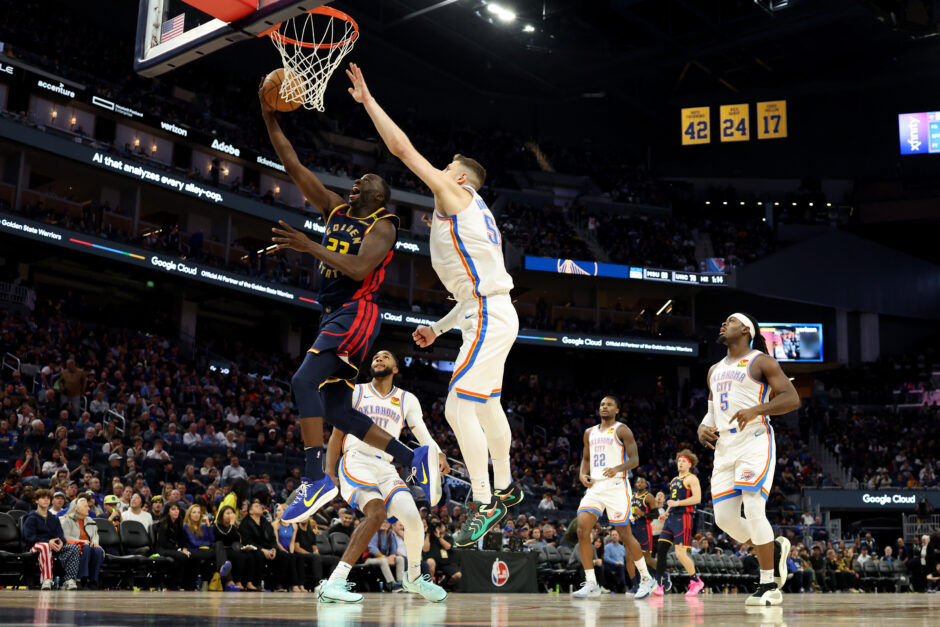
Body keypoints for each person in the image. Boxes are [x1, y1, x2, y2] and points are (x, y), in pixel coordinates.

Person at [345, 64, 522, 546]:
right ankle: (505, 488)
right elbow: (473, 288)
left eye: (446, 168)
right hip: (489, 311)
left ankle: (486, 499)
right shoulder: (480, 213)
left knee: (456, 404)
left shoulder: (456, 194)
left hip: (489, 313)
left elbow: (402, 150)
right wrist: (442, 328)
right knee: (486, 403)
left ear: (461, 176)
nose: (439, 173)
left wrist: (368, 101)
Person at [261, 87, 439, 524]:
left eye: (367, 183)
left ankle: (314, 478)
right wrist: (270, 118)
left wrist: (307, 246)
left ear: (379, 197)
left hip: (357, 310)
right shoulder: (335, 209)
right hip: (335, 313)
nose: (357, 182)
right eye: (358, 180)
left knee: (304, 382)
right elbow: (293, 165)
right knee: (339, 409)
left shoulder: (384, 225)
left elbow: (360, 269)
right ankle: (412, 455)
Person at [319, 350, 448, 603]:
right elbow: (336, 435)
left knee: (412, 518)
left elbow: (420, 430)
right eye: (376, 357)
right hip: (356, 459)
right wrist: (329, 473)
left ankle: (413, 578)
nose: (379, 359)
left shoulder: (406, 399)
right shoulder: (355, 391)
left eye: (386, 357)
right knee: (376, 514)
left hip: (386, 467)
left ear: (396, 368)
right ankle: (334, 582)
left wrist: (438, 453)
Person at [698, 313, 801, 607]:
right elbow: (711, 411)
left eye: (729, 321)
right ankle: (774, 549)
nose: (722, 324)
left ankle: (768, 584)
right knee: (725, 519)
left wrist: (757, 410)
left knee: (755, 508)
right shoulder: (714, 370)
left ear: (745, 330)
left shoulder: (761, 361)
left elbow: (791, 398)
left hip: (754, 439)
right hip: (725, 446)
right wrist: (702, 426)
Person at [571, 396, 654, 599]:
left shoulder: (622, 429)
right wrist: (582, 475)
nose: (604, 407)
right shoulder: (589, 432)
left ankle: (645, 578)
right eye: (601, 404)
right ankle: (591, 582)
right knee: (582, 529)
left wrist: (617, 468)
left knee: (625, 534)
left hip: (617, 486)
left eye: (608, 404)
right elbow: (586, 458)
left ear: (617, 409)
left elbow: (634, 460)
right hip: (596, 487)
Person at [652, 451, 703, 597]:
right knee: (661, 549)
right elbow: (673, 500)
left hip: (684, 518)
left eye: (683, 461)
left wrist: (678, 503)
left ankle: (696, 581)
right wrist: (666, 513)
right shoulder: (674, 480)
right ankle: (659, 584)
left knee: (680, 554)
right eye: (679, 460)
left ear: (690, 464)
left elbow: (697, 498)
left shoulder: (692, 478)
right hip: (671, 518)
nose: (680, 463)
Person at [22, 488, 81, 590]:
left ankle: (69, 579)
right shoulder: (31, 517)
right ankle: (47, 579)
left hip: (53, 546)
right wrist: (48, 541)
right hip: (35, 546)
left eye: (48, 498)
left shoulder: (54, 518)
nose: (46, 500)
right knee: (45, 546)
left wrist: (61, 542)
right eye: (42, 498)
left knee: (73, 548)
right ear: (36, 501)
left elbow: (60, 535)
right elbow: (29, 537)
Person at [240, 501, 292, 592]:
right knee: (258, 554)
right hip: (253, 548)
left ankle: (278, 584)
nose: (260, 507)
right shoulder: (245, 523)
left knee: (284, 555)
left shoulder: (265, 522)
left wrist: (274, 549)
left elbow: (272, 539)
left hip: (268, 549)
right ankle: (257, 583)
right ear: (251, 511)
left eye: (260, 505)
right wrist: (262, 550)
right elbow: (247, 541)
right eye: (256, 506)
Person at [182, 503, 234, 591]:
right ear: (189, 514)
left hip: (205, 551)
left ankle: (221, 568)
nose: (197, 514)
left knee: (219, 544)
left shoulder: (202, 526)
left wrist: (208, 525)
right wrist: (205, 543)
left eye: (199, 512)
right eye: (194, 512)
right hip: (194, 551)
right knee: (215, 551)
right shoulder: (186, 526)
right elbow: (194, 542)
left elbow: (212, 539)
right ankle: (222, 569)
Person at [61, 496, 105, 589]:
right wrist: (80, 541)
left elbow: (95, 535)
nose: (88, 508)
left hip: (88, 546)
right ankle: (81, 579)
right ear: (77, 509)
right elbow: (65, 537)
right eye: (86, 506)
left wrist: (95, 542)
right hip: (74, 547)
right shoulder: (67, 520)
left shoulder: (91, 521)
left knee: (98, 551)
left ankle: (93, 581)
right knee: (86, 548)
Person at [212, 504, 258, 591]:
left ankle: (243, 582)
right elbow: (226, 537)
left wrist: (244, 547)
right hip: (221, 549)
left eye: (232, 513)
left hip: (232, 549)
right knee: (237, 555)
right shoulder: (216, 526)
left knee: (248, 555)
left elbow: (236, 540)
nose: (231, 515)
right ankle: (230, 581)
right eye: (228, 513)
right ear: (222, 515)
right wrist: (232, 525)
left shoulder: (235, 527)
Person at [628, 477, 658, 591]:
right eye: (637, 482)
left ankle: (664, 575)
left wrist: (643, 514)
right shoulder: (632, 497)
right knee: (629, 557)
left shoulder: (648, 497)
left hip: (644, 529)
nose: (639, 483)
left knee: (646, 558)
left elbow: (655, 515)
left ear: (646, 485)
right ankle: (635, 585)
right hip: (632, 528)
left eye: (641, 482)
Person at [154, 501, 191, 590]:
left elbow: (182, 538)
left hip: (173, 549)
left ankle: (178, 583)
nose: (176, 511)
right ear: (168, 511)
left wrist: (184, 548)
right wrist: (178, 549)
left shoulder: (178, 522)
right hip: (162, 549)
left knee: (188, 556)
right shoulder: (164, 523)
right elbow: (163, 542)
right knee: (182, 556)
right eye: (173, 509)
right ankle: (173, 584)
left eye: (177, 509)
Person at [423, 521, 461, 587]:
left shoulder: (448, 537)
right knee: (430, 561)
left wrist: (439, 537)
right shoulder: (429, 537)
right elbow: (425, 549)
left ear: (445, 528)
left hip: (446, 563)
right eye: (437, 527)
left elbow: (448, 547)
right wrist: (428, 533)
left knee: (458, 575)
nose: (439, 528)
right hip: (434, 562)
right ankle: (430, 584)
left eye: (441, 526)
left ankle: (444, 585)